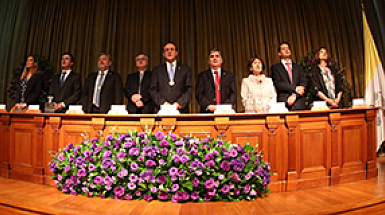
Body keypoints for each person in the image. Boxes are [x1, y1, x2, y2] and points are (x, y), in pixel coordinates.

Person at [150, 42, 193, 113]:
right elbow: (153, 90)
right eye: (167, 50)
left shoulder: (186, 69)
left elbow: (189, 89)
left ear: (176, 53)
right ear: (163, 54)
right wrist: (164, 104)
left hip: (181, 110)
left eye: (172, 49)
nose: (169, 51)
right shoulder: (157, 70)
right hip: (161, 110)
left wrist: (179, 104)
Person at [195, 48, 237, 113]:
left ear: (221, 60)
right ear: (208, 61)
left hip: (225, 111)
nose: (215, 58)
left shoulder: (230, 76)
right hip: (207, 112)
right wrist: (208, 105)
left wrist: (223, 107)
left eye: (217, 56)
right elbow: (199, 94)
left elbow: (233, 93)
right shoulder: (202, 76)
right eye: (212, 57)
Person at [271, 42, 306, 110]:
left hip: (299, 100)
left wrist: (295, 95)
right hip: (284, 100)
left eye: (288, 48)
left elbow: (303, 83)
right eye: (284, 49)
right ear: (279, 53)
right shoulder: (275, 68)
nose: (286, 50)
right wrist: (295, 88)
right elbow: (278, 84)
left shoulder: (298, 67)